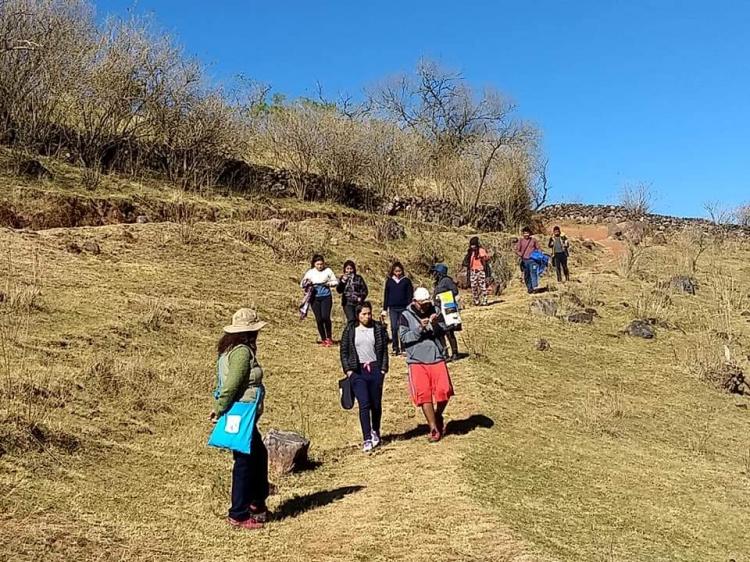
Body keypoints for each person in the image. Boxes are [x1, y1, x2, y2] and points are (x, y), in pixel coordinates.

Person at [211, 308, 270, 530]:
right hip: (241, 410)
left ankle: (256, 503)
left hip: (241, 411)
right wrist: (219, 407)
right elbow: (232, 384)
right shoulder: (242, 352)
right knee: (245, 461)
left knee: (256, 454)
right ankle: (239, 512)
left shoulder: (229, 350)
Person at [399, 287, 454, 443]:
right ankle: (433, 428)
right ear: (415, 302)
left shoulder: (436, 310)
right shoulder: (405, 315)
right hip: (416, 360)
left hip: (436, 356)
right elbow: (403, 337)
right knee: (424, 394)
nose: (424, 307)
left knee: (445, 390)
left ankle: (437, 414)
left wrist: (436, 325)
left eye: (426, 304)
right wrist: (420, 328)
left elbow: (446, 329)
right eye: (421, 304)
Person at [340, 301, 389, 453]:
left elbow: (384, 351)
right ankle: (366, 437)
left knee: (376, 404)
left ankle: (376, 431)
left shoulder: (377, 328)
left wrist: (382, 370)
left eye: (369, 313)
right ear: (358, 315)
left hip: (374, 369)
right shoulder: (350, 330)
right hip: (358, 371)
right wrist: (348, 370)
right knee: (364, 404)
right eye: (364, 314)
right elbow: (344, 351)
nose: (367, 317)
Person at [300, 254, 338, 346]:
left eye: (321, 264)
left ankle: (329, 337)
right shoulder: (310, 272)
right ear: (314, 264)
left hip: (326, 296)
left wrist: (328, 284)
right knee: (319, 319)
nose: (320, 266)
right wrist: (307, 283)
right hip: (314, 297)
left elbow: (336, 281)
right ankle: (323, 338)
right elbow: (302, 284)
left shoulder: (328, 271)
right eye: (318, 264)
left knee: (325, 317)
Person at [381, 261, 414, 356]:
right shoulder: (389, 281)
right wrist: (384, 309)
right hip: (393, 308)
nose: (398, 273)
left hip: (404, 308)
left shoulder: (406, 281)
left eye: (399, 271)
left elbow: (410, 295)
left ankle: (404, 347)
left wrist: (409, 307)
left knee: (403, 327)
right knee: (394, 328)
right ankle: (395, 347)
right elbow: (386, 295)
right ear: (393, 271)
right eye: (396, 271)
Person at [432, 263, 462, 362]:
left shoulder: (447, 281)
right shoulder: (437, 282)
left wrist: (442, 296)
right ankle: (444, 353)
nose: (434, 274)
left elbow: (455, 291)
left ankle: (455, 353)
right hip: (438, 309)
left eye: (435, 272)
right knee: (440, 331)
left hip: (447, 309)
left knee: (449, 331)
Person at [337, 260, 369, 324]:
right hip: (347, 303)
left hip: (358, 302)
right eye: (347, 269)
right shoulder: (342, 278)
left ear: (353, 269)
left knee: (358, 320)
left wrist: (361, 298)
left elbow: (365, 290)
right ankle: (351, 333)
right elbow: (339, 290)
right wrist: (343, 281)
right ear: (345, 269)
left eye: (351, 269)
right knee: (351, 319)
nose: (349, 271)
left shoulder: (358, 278)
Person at [462, 236, 490, 306]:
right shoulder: (470, 252)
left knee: (482, 286)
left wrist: (483, 257)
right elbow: (466, 261)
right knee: (473, 287)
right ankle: (476, 301)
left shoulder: (481, 250)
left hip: (480, 271)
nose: (472, 246)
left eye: (474, 245)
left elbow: (486, 259)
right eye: (471, 245)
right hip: (473, 271)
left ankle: (485, 300)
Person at [515, 227, 541, 293]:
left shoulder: (533, 240)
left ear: (530, 233)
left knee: (533, 273)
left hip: (533, 260)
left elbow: (538, 248)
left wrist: (538, 255)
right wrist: (521, 255)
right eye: (525, 233)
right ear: (523, 234)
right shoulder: (520, 241)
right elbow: (517, 250)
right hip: (525, 260)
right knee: (527, 275)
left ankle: (534, 288)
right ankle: (529, 288)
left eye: (527, 233)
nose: (526, 234)